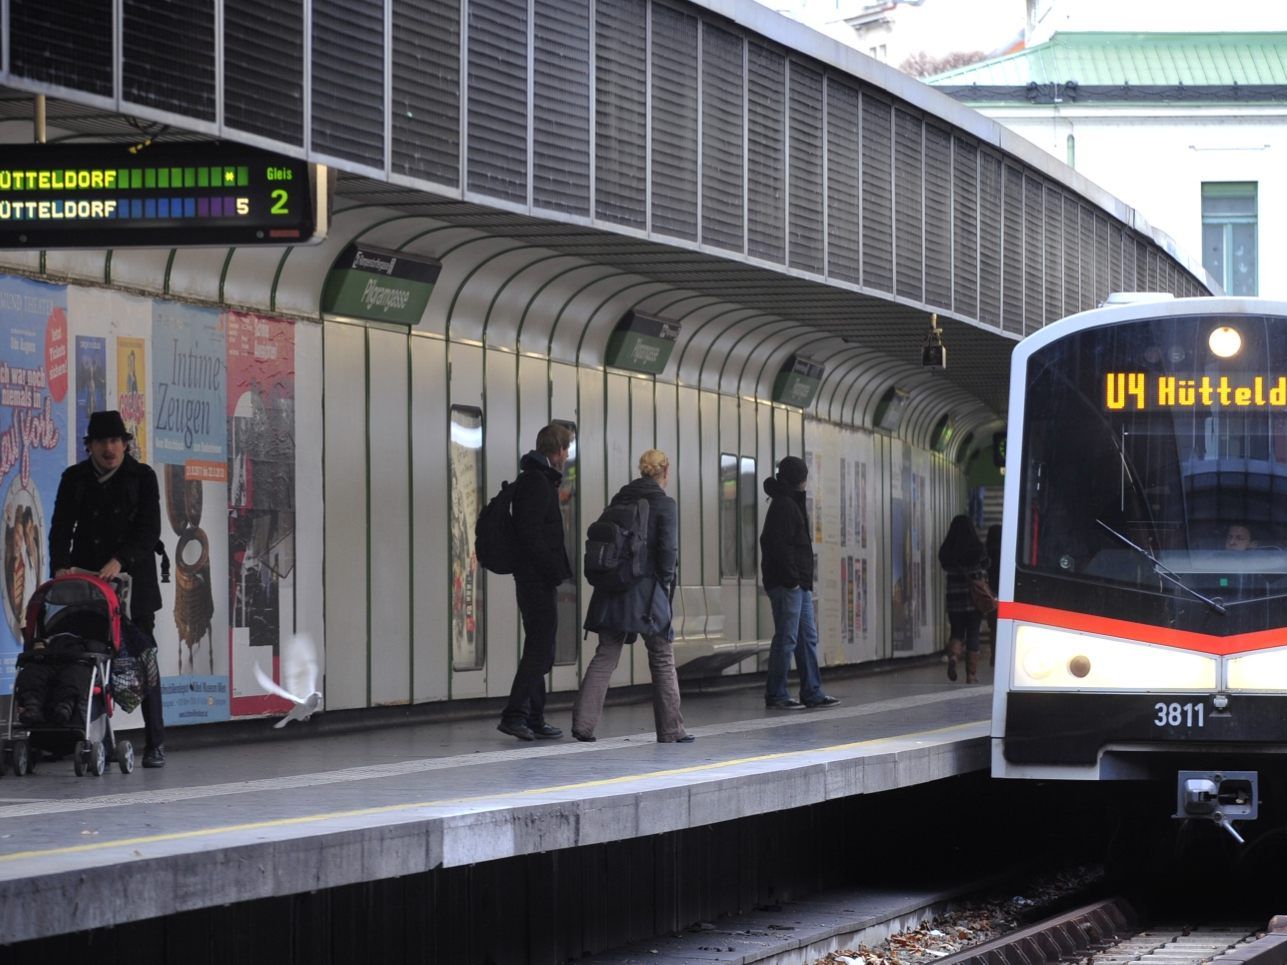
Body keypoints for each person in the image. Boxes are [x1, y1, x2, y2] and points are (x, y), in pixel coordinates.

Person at [49, 410, 166, 767]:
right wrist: (59, 568)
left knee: (143, 658)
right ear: (90, 447)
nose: (109, 448)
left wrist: (121, 560)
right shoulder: (75, 479)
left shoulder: (142, 477)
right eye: (101, 442)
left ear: (125, 444)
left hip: (133, 584)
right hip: (88, 585)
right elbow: (60, 528)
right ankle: (79, 735)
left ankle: (155, 742)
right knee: (85, 655)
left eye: (116, 441)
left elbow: (149, 531)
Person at [572, 449, 692, 744]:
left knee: (606, 654)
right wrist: (664, 588)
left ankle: (583, 724)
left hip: (611, 589)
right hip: (647, 592)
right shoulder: (664, 504)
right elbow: (668, 554)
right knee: (662, 655)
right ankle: (671, 730)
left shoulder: (619, 499)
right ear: (665, 473)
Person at [497, 423, 575, 741]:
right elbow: (530, 535)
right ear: (556, 451)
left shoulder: (538, 480)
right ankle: (515, 714)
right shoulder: (536, 483)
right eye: (566, 449)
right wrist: (551, 569)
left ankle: (534, 717)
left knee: (539, 647)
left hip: (535, 577)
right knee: (540, 649)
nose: (567, 456)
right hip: (534, 578)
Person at [760, 456, 840, 710]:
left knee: (806, 637)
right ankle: (776, 693)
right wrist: (792, 580)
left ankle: (812, 691)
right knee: (787, 638)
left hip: (799, 585)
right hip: (788, 584)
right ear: (801, 479)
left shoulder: (789, 502)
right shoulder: (784, 505)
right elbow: (779, 547)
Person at [939, 514, 988, 684]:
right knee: (973, 633)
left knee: (957, 631)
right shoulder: (976, 548)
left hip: (954, 598)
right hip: (974, 599)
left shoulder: (947, 549)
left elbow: (944, 564)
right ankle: (971, 674)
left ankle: (953, 657)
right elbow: (986, 564)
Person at [985, 524, 1002, 666]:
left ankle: (994, 656)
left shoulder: (987, 553)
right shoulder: (1007, 553)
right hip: (1006, 595)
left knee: (994, 628)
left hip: (990, 593)